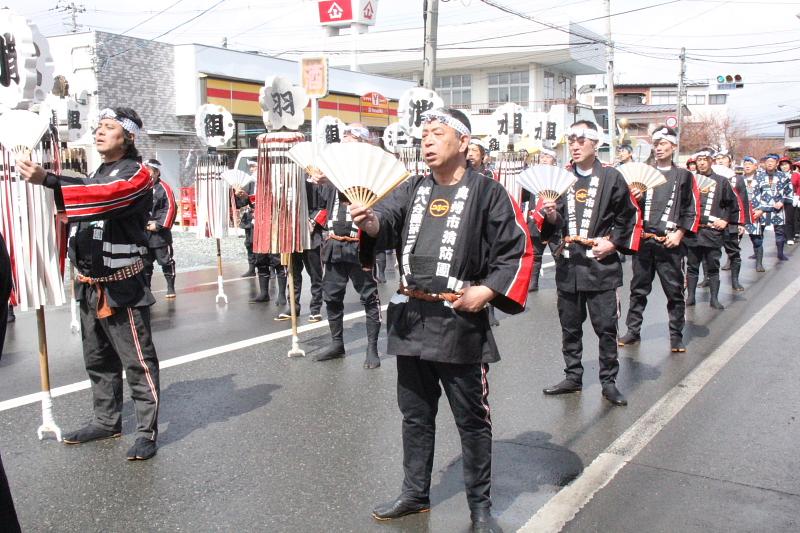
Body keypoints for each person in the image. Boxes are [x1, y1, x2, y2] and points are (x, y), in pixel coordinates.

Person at [350, 108, 532, 532]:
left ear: (464, 143)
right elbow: (385, 222)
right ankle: (415, 493)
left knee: (471, 417)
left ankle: (480, 506)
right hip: (411, 316)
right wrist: (371, 220)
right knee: (414, 414)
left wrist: (486, 291)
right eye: (423, 134)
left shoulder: (489, 193)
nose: (427, 141)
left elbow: (518, 249)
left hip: (458, 320)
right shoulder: (412, 187)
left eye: (437, 133)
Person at [18, 107, 160, 461]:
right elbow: (86, 189)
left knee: (137, 362)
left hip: (122, 287)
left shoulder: (138, 175)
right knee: (98, 359)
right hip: (89, 284)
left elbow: (105, 196)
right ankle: (106, 419)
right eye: (98, 127)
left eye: (108, 128)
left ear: (127, 137)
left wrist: (50, 179)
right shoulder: (98, 172)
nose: (99, 132)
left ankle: (146, 431)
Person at [540, 121, 641, 407]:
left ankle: (608, 382)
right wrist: (550, 219)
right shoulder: (562, 178)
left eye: (581, 139)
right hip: (569, 265)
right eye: (571, 139)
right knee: (570, 326)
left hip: (600, 266)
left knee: (606, 327)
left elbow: (628, 217)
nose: (574, 144)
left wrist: (613, 243)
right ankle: (573, 375)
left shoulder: (612, 177)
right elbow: (553, 224)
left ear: (595, 143)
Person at [618, 126, 699, 353]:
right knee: (638, 289)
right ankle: (633, 330)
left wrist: (680, 233)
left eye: (664, 144)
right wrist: (636, 199)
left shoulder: (683, 175)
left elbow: (691, 209)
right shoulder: (644, 173)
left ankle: (676, 335)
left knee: (674, 291)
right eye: (656, 144)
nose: (659, 148)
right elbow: (628, 209)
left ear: (673, 146)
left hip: (669, 241)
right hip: (645, 240)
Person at [311, 123, 383, 369]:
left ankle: (372, 347)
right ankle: (337, 343)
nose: (346, 147)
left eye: (352, 141)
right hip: (333, 242)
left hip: (360, 244)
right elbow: (319, 203)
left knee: (369, 297)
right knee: (331, 296)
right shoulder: (335, 171)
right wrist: (320, 180)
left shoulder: (371, 172)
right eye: (344, 142)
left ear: (364, 144)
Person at [684, 149, 739, 310]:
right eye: (698, 160)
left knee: (713, 266)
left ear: (711, 161)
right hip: (693, 231)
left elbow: (732, 205)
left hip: (712, 231)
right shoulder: (691, 181)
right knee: (692, 266)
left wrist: (725, 220)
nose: (701, 162)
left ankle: (714, 299)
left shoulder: (722, 181)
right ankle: (691, 297)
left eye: (704, 159)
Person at [526, 148, 561, 292]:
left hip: (553, 220)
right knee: (535, 255)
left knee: (558, 254)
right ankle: (532, 284)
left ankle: (563, 283)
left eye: (547, 156)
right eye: (542, 157)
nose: (544, 159)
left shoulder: (560, 176)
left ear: (554, 160)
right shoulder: (534, 176)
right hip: (536, 220)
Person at [750, 153, 793, 264]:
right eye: (767, 161)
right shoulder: (758, 176)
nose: (769, 163)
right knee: (758, 232)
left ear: (776, 163)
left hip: (777, 208)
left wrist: (782, 201)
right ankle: (757, 253)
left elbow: (789, 191)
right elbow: (754, 193)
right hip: (762, 209)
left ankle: (780, 252)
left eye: (772, 161)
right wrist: (757, 207)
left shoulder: (783, 176)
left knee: (779, 232)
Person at [143, 159, 177, 299]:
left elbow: (171, 208)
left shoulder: (164, 188)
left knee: (164, 260)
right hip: (144, 233)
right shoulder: (141, 187)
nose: (147, 174)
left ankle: (170, 287)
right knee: (145, 263)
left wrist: (158, 225)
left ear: (156, 172)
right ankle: (147, 290)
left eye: (149, 171)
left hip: (159, 234)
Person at [716, 152, 750, 291]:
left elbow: (743, 201)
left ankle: (735, 280)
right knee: (709, 252)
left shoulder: (737, 179)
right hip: (714, 219)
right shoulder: (708, 177)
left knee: (733, 251)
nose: (720, 161)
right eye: (717, 159)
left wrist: (742, 223)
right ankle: (707, 278)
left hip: (731, 220)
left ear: (729, 161)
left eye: (723, 158)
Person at [236, 159, 258, 278]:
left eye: (253, 166)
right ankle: (252, 267)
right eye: (250, 167)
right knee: (249, 242)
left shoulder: (265, 181)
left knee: (261, 243)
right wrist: (239, 196)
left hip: (261, 217)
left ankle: (270, 268)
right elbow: (243, 203)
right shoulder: (249, 182)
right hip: (250, 216)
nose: (251, 169)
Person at [779, 157, 797, 245]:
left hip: (791, 199)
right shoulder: (778, 175)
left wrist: (797, 197)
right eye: (782, 165)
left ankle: (790, 236)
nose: (784, 167)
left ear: (790, 165)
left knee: (789, 219)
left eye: (785, 164)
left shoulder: (795, 174)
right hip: (779, 200)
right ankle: (781, 237)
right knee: (780, 219)